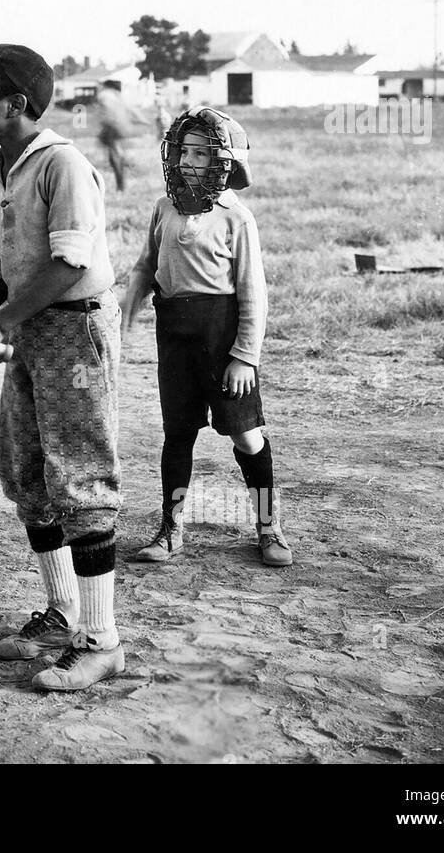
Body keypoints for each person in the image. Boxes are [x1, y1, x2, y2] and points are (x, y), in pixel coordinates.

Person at [0, 44, 125, 692]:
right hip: (33, 329)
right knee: (28, 471)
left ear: (17, 104)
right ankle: (64, 616)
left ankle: (101, 641)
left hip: (75, 328)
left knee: (81, 475)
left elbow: (68, 264)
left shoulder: (61, 165)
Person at [120, 107, 293, 568]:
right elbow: (145, 266)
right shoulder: (164, 208)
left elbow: (253, 294)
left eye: (200, 153)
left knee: (247, 436)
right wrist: (125, 312)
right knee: (177, 434)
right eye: (183, 151)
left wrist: (244, 357)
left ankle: (267, 523)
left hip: (222, 336)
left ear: (224, 162)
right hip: (174, 333)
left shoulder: (237, 218)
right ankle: (170, 528)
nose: (187, 162)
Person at [93, 78, 149, 192]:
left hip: (112, 127)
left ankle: (121, 183)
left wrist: (108, 121)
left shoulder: (104, 95)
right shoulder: (118, 95)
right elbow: (131, 109)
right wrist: (143, 120)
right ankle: (125, 168)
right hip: (120, 127)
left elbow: (108, 110)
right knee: (115, 155)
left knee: (115, 157)